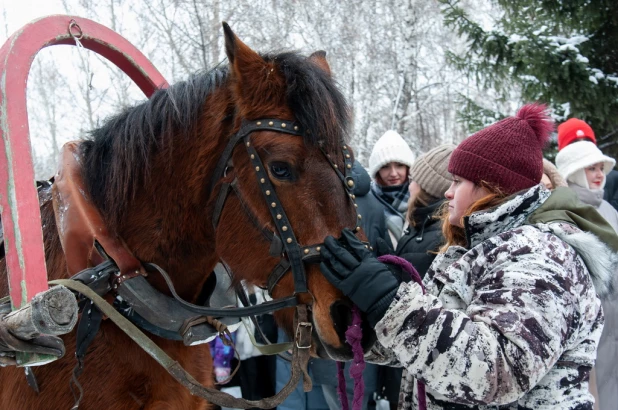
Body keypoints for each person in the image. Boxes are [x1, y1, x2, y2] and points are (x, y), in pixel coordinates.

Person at [320, 104, 618, 409]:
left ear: (490, 187)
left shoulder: (539, 258)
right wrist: (352, 323)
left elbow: (496, 373)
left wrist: (389, 300)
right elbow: (425, 349)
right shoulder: (474, 248)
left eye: (457, 181)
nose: (448, 193)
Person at [375, 144, 455, 410]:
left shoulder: (436, 234)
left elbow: (408, 302)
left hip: (417, 363)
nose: (405, 182)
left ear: (424, 187)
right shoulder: (420, 227)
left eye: (414, 179)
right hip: (409, 361)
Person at [555, 140, 618, 410]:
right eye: (590, 168)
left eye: (601, 167)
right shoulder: (567, 211)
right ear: (573, 172)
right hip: (592, 314)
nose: (599, 174)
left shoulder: (609, 210)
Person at [558, 118, 618, 210]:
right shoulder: (552, 194)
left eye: (587, 141)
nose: (582, 145)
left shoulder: (613, 180)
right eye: (574, 143)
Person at [368, 130, 416, 247]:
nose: (393, 173)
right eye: (385, 167)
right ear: (377, 171)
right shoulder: (367, 201)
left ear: (408, 168)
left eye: (399, 165)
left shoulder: (422, 199)